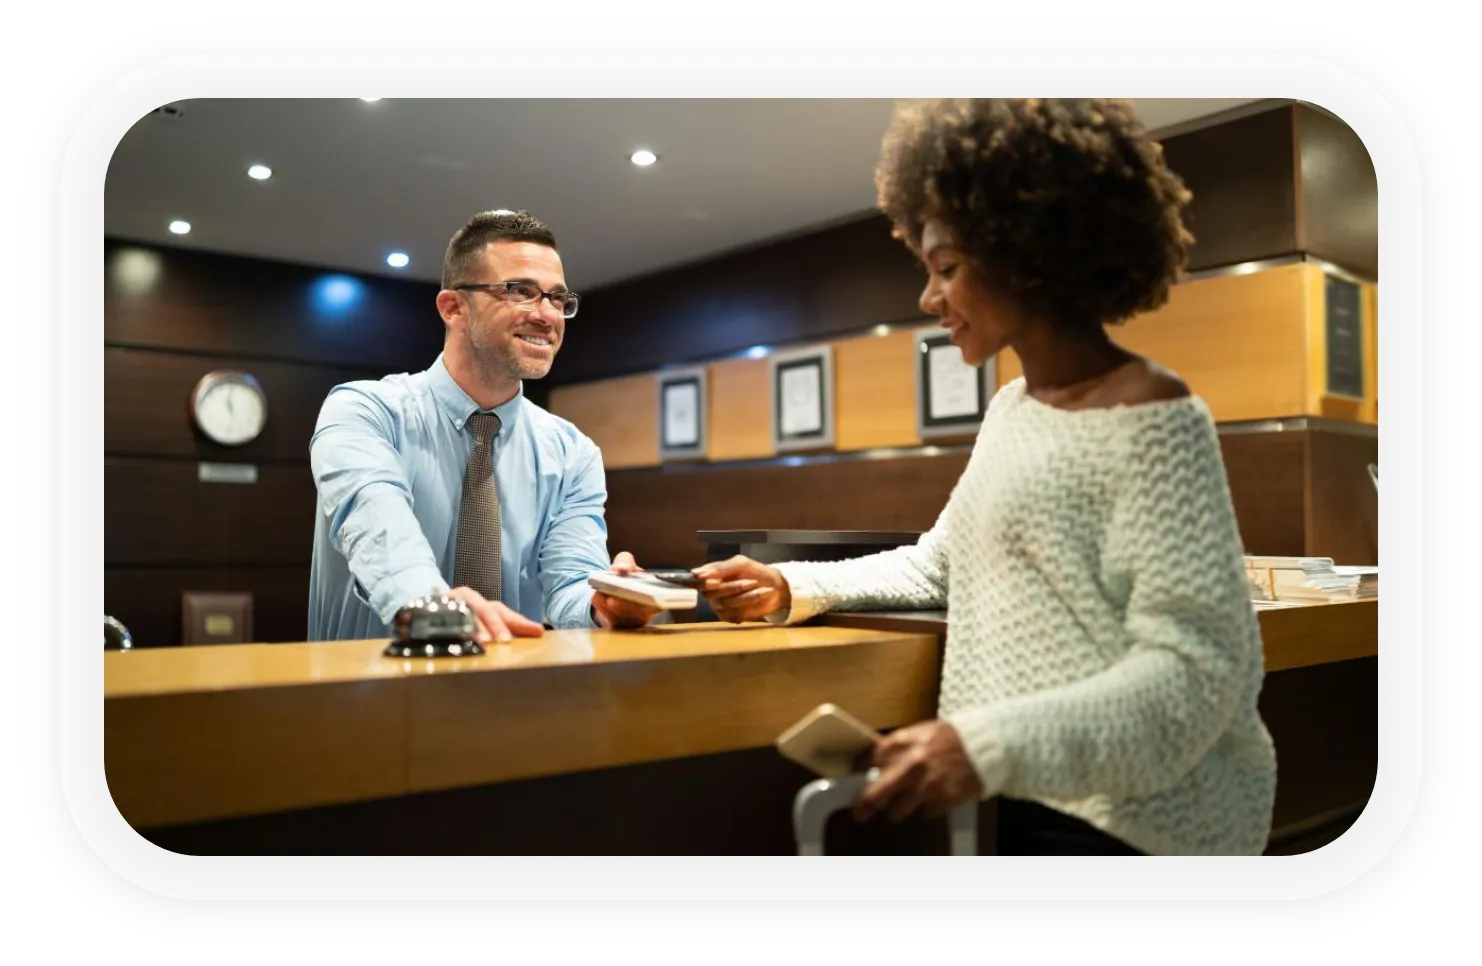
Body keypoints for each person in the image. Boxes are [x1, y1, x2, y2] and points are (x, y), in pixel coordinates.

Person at [694, 99, 1278, 856]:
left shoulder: (1154, 415)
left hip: (1140, 828)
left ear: (1031, 254)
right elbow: (941, 562)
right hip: (1024, 800)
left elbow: (1196, 677)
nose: (928, 298)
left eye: (947, 269)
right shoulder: (1011, 408)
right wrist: (794, 586)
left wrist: (981, 746)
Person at [308, 209, 661, 643]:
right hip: (367, 697)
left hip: (509, 699)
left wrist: (602, 604)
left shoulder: (573, 452)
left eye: (557, 298)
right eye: (521, 291)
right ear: (453, 307)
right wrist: (435, 607)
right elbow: (377, 528)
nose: (547, 315)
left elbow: (570, 585)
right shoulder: (364, 411)